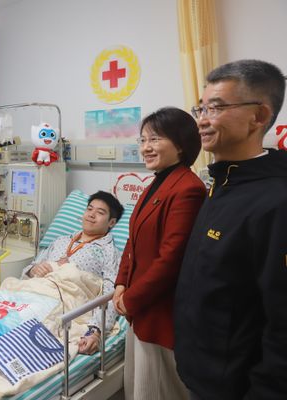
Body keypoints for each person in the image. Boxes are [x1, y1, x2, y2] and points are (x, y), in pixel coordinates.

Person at [174, 60, 287, 399]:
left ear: (259, 116)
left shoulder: (276, 201)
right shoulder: (223, 183)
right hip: (203, 374)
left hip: (238, 387)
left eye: (216, 108)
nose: (202, 120)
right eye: (201, 108)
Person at [113, 107, 206, 400]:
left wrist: (131, 298)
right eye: (142, 140)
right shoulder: (156, 183)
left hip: (160, 312)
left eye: (155, 139)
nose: (146, 147)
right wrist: (120, 283)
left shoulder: (188, 188)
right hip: (139, 307)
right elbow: (132, 241)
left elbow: (171, 259)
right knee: (137, 388)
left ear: (181, 143)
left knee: (156, 390)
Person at [21, 190, 124, 355]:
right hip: (34, 292)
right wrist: (34, 269)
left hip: (65, 302)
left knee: (29, 329)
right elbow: (30, 268)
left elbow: (110, 293)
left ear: (111, 222)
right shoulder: (61, 241)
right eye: (89, 209)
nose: (91, 215)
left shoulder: (109, 252)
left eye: (100, 212)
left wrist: (96, 330)